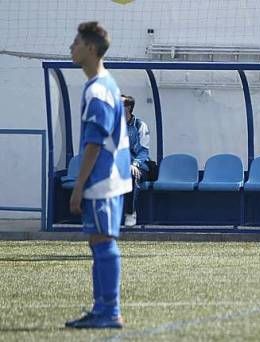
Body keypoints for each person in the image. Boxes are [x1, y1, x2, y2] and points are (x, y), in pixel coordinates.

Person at [65, 21, 131, 329]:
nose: (71, 47)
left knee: (104, 242)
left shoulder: (99, 89)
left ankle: (110, 311)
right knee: (98, 241)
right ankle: (101, 308)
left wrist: (79, 185)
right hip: (107, 177)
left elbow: (94, 141)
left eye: (76, 42)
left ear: (91, 49)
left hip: (103, 179)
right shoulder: (105, 85)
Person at [122, 94, 150, 227]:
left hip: (139, 165)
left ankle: (130, 213)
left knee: (132, 174)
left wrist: (134, 164)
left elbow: (144, 150)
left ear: (128, 107)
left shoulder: (139, 125)